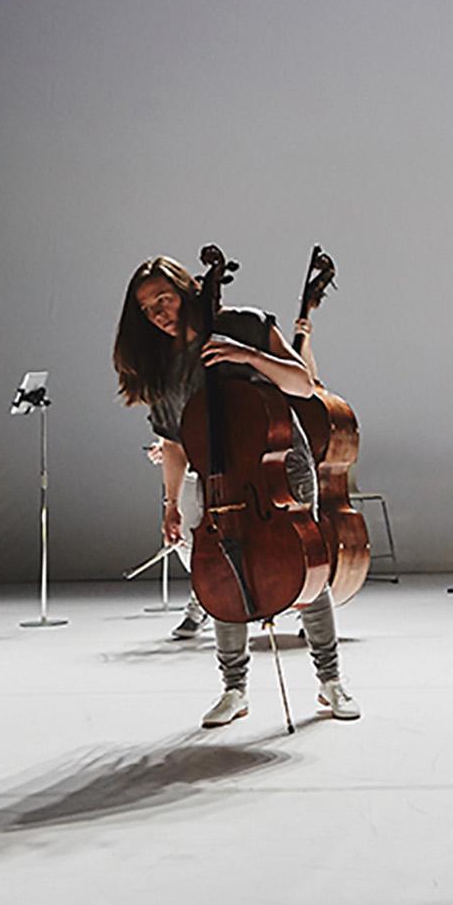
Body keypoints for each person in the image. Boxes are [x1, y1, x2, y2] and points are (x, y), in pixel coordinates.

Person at [112, 257, 359, 729]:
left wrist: (247, 357)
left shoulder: (241, 323)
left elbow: (302, 385)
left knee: (305, 563)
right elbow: (175, 442)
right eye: (147, 309)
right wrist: (169, 504)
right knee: (220, 571)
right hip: (218, 479)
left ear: (186, 289)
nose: (159, 313)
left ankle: (331, 682)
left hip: (280, 466)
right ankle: (234, 690)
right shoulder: (165, 370)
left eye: (163, 298)